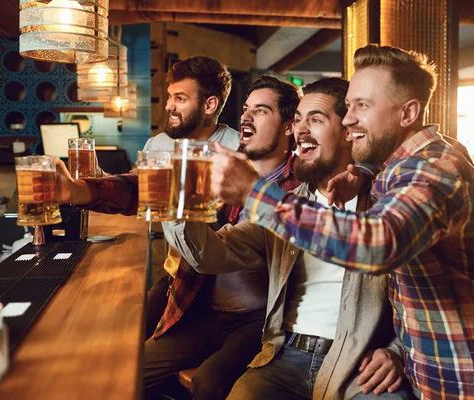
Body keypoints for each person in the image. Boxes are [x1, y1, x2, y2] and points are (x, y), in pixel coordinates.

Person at [206, 45, 474, 400]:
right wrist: (363, 174)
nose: (349, 120)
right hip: (437, 376)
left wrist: (254, 193)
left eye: (362, 106)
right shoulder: (401, 168)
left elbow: (376, 244)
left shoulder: (436, 170)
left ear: (408, 112)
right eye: (348, 107)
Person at [171, 77, 413, 400]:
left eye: (315, 119)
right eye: (298, 119)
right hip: (286, 357)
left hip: (361, 365)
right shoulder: (283, 206)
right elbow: (209, 255)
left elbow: (426, 297)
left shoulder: (385, 203)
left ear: (347, 131)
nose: (300, 130)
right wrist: (182, 203)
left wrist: (397, 351)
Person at [146, 74, 301, 400]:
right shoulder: (226, 168)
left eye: (260, 111)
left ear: (289, 126)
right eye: (246, 109)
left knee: (209, 382)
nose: (245, 117)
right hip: (204, 306)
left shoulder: (297, 186)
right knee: (133, 367)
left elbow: (222, 250)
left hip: (256, 322)